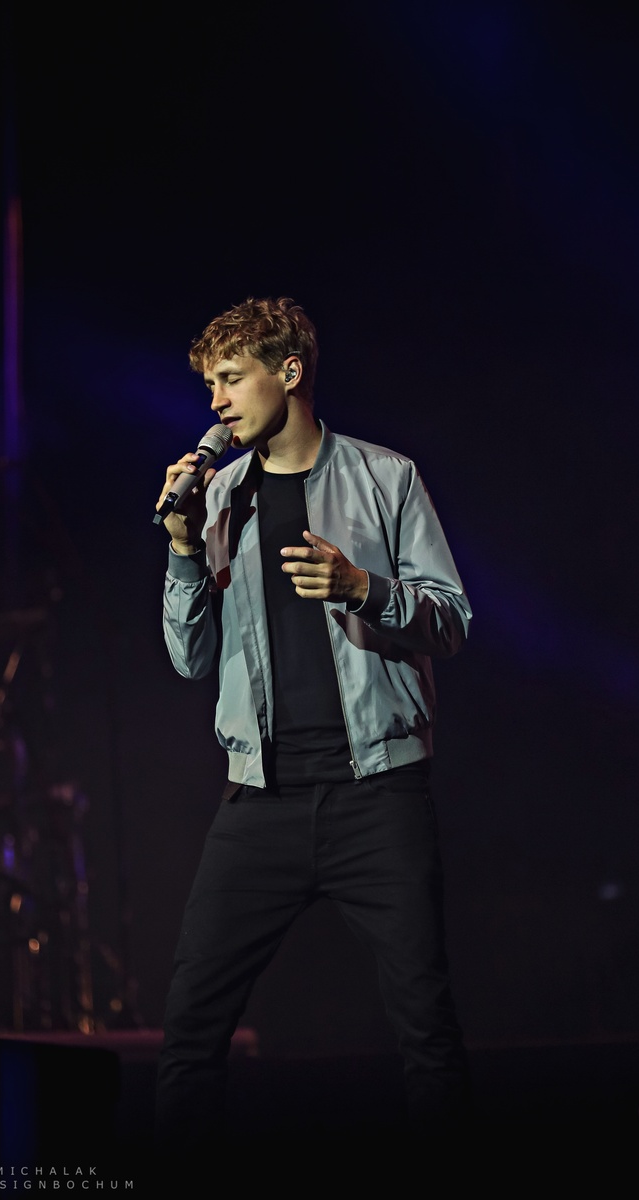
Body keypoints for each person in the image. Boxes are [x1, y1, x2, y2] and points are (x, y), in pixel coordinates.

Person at [153, 296, 472, 1154]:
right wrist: (182, 550)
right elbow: (189, 660)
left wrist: (363, 589)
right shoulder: (220, 496)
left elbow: (452, 620)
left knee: (426, 1029)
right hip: (261, 802)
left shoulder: (386, 478)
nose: (216, 401)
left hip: (378, 793)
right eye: (210, 385)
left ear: (288, 372)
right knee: (189, 1035)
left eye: (231, 378)